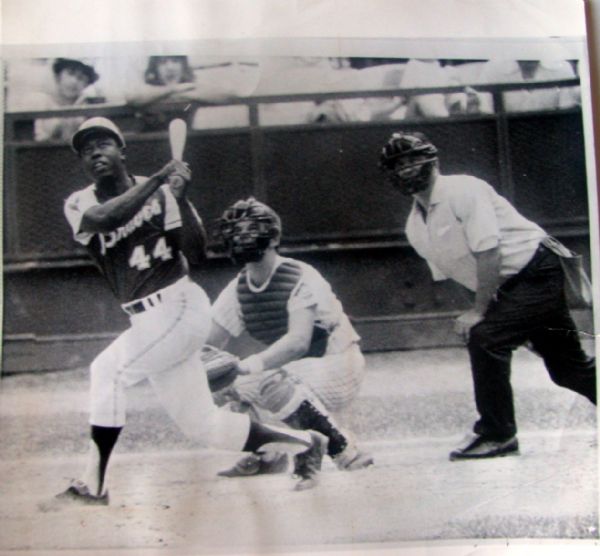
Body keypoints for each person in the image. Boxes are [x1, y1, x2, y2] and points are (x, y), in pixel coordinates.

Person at [51, 117, 328, 506]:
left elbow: (197, 253)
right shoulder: (81, 201)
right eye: (86, 149)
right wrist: (159, 182)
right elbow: (103, 219)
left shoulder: (164, 195)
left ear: (122, 150)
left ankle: (93, 485)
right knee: (202, 425)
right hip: (146, 319)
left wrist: (178, 198)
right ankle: (305, 442)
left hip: (178, 305)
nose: (95, 152)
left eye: (103, 143)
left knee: (106, 370)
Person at [378, 131, 596, 460]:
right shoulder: (415, 226)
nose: (406, 169)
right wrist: (497, 314)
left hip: (537, 269)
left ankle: (498, 434)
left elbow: (489, 252)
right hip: (512, 286)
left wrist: (483, 314)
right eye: (397, 165)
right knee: (568, 370)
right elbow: (455, 276)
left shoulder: (464, 190)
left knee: (486, 338)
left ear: (433, 161)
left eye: (412, 160)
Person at [207, 197, 374, 477]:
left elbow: (298, 342)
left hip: (338, 364)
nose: (240, 236)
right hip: (298, 372)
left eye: (249, 229)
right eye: (234, 230)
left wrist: (246, 366)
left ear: (273, 237)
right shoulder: (237, 287)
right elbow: (207, 344)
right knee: (217, 383)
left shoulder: (298, 274)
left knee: (265, 379)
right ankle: (266, 455)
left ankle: (344, 450)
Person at [16, 58, 103, 142]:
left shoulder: (87, 107)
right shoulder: (39, 101)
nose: (74, 81)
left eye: (81, 78)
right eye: (70, 73)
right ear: (58, 75)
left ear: (86, 85)